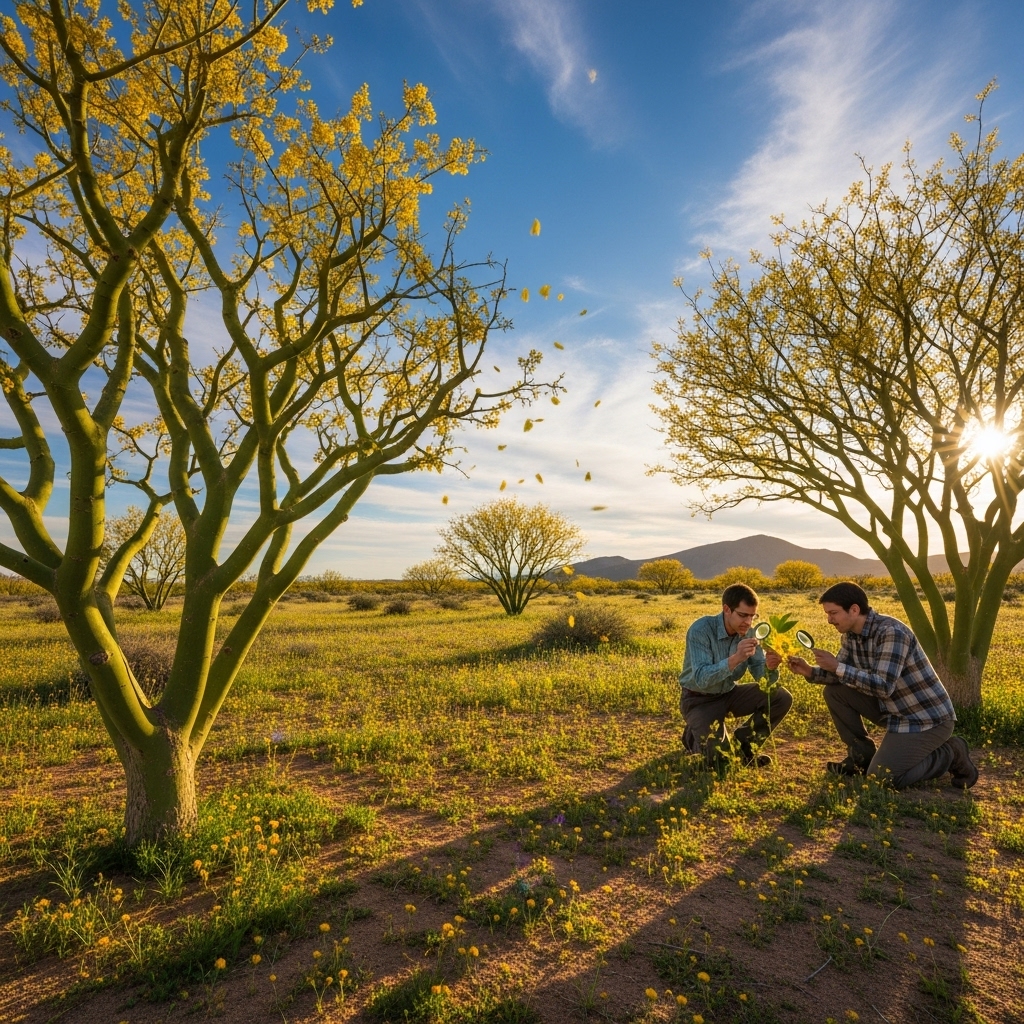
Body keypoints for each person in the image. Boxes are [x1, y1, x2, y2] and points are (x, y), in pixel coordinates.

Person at [787, 581, 978, 789]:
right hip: (892, 709)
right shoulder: (850, 635)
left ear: (854, 609)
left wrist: (837, 666)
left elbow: (883, 686)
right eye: (827, 614)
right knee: (835, 692)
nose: (829, 620)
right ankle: (861, 757)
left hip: (925, 719)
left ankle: (950, 754)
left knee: (882, 779)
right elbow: (838, 676)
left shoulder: (891, 633)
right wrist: (809, 671)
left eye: (833, 613)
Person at [680, 583, 792, 767]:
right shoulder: (701, 630)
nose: (748, 622)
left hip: (728, 694)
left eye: (752, 616)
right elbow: (701, 678)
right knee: (720, 763)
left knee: (780, 697)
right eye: (742, 615)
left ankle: (744, 748)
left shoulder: (749, 632)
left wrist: (770, 667)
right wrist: (736, 658)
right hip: (698, 700)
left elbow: (760, 675)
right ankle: (692, 736)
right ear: (726, 609)